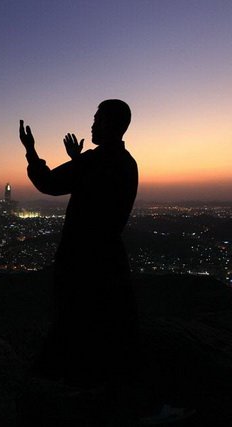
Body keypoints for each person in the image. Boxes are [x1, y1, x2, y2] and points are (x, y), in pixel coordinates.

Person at [19, 99, 139, 393]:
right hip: (110, 258)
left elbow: (49, 183)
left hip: (80, 259)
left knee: (71, 320)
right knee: (104, 328)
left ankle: (60, 390)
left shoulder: (95, 162)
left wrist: (30, 150)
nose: (92, 124)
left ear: (111, 124)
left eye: (97, 119)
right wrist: (78, 159)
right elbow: (96, 190)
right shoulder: (127, 163)